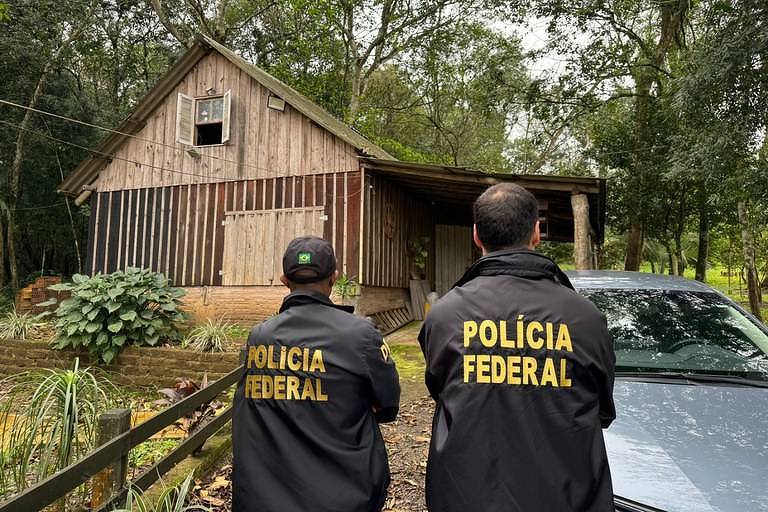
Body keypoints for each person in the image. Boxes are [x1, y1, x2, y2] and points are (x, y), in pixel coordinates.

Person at [419, 183, 616, 512]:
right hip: (565, 498)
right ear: (537, 233)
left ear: (476, 236)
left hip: (464, 496)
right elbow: (602, 410)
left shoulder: (445, 316)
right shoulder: (585, 318)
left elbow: (441, 391)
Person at [233, 236, 401, 512]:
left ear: (284, 280)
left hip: (266, 499)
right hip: (346, 496)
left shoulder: (259, 337)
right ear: (334, 277)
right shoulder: (360, 334)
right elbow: (389, 403)